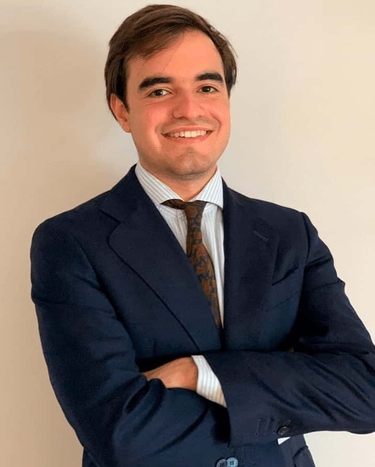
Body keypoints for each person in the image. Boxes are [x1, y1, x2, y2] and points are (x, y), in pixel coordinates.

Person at [30, 5, 375, 467]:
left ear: (226, 101)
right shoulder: (70, 242)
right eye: (159, 89)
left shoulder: (289, 233)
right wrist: (282, 391)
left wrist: (198, 374)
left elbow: (364, 390)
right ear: (122, 110)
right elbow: (119, 431)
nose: (188, 109)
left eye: (207, 87)